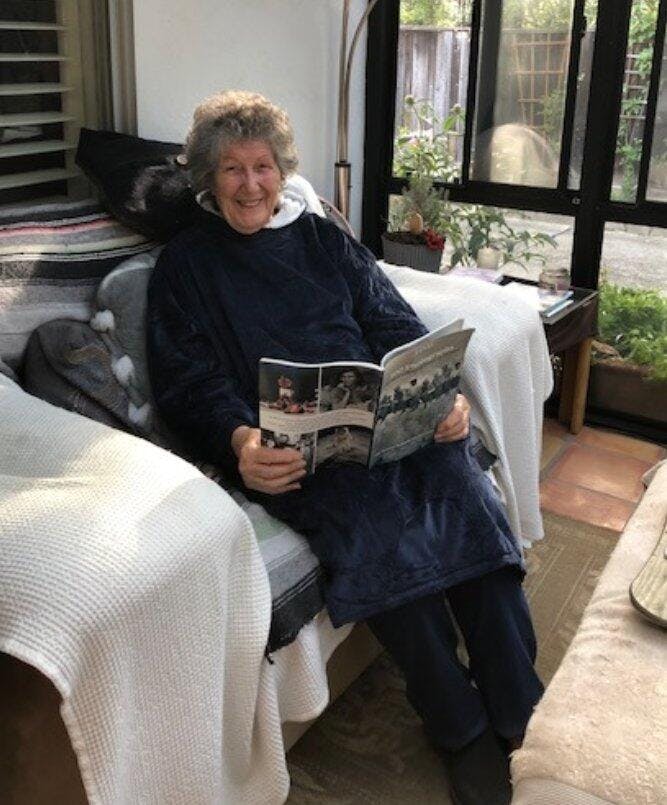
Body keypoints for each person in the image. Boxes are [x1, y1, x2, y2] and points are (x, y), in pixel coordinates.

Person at [146, 90, 543, 805]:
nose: (251, 185)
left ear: (281, 171)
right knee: (373, 536)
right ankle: (458, 726)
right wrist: (239, 440)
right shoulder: (187, 264)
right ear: (209, 177)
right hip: (296, 449)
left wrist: (440, 393)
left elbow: (391, 319)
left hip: (390, 418)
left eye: (263, 167)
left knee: (465, 498)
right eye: (232, 169)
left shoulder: (322, 239)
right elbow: (186, 379)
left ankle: (521, 710)